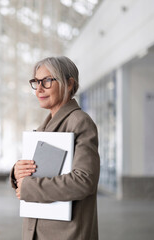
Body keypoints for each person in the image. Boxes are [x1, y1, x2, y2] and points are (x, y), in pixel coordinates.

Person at [10, 56, 100, 240]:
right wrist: (18, 172)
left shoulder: (79, 122)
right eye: (36, 82)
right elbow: (40, 171)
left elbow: (84, 181)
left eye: (47, 81)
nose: (39, 89)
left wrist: (30, 187)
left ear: (68, 84)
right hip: (40, 230)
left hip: (67, 233)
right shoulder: (45, 126)